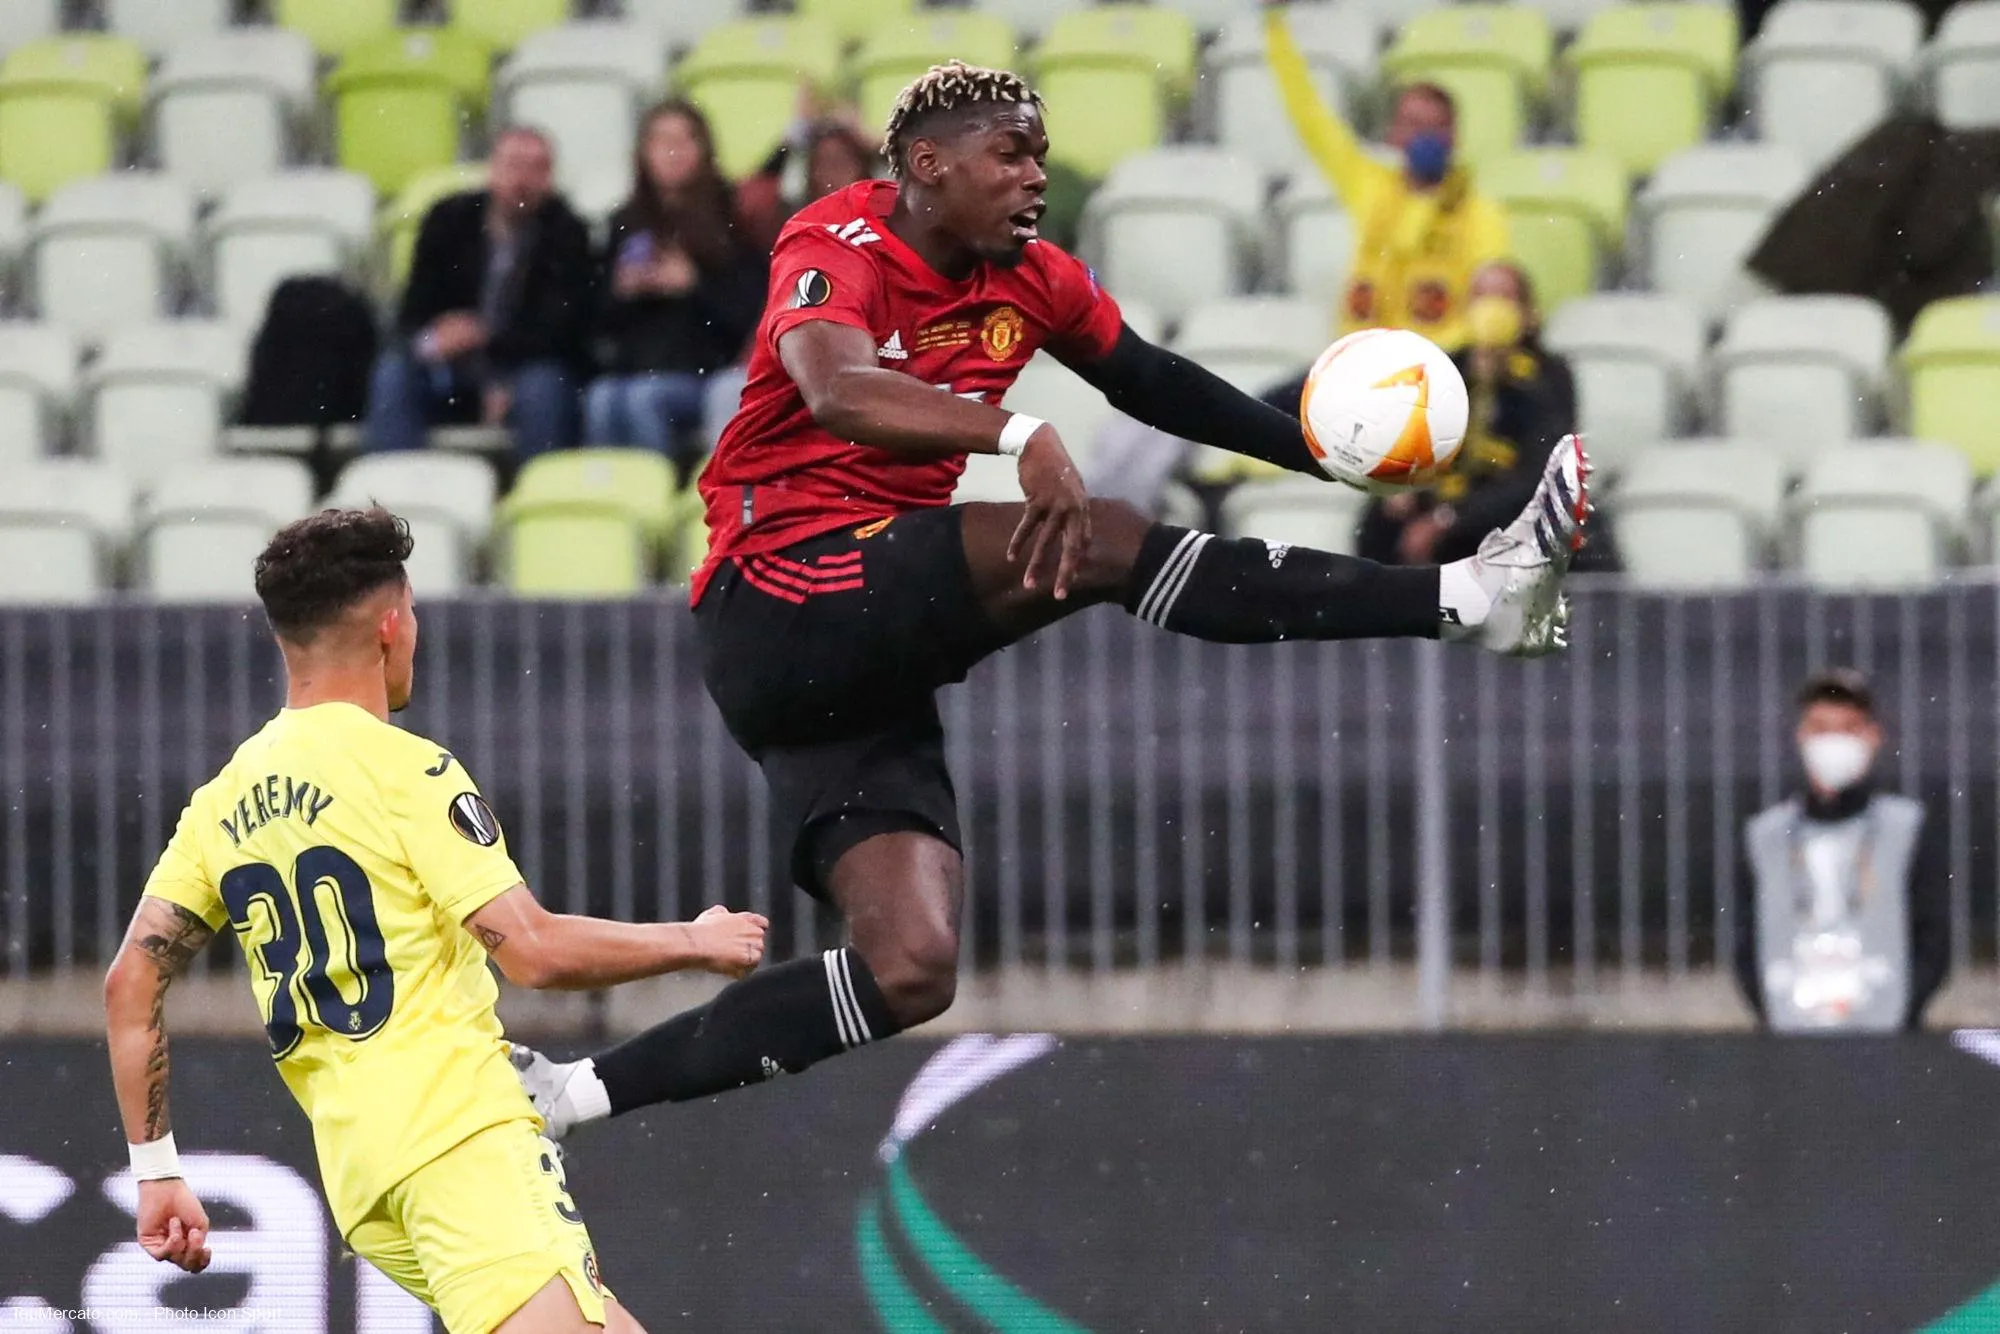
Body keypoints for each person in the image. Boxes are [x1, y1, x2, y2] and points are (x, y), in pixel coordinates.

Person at [506, 61, 1590, 1138]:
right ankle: (1464, 596)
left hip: (856, 658)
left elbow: (1153, 381)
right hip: (780, 590)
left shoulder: (1030, 275)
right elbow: (833, 386)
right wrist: (1016, 432)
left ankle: (573, 1093)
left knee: (913, 967)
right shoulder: (834, 240)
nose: (1035, 176)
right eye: (1009, 154)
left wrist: (1319, 454)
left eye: (1039, 153)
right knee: (1100, 542)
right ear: (927, 165)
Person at [101, 508, 768, 1332]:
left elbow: (132, 980)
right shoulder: (405, 770)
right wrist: (694, 941)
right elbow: (533, 951)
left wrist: (157, 1169)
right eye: (412, 612)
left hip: (363, 1178)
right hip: (457, 1140)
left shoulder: (223, 802)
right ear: (390, 626)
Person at [1264, 2, 1509, 353]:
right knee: (1272, 403)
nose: (1423, 136)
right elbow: (1310, 118)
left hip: (1437, 363)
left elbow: (1492, 297)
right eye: (1412, 124)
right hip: (1360, 358)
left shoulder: (1481, 213)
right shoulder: (1369, 183)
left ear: (1455, 135)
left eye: (1433, 126)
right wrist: (1275, 28)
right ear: (1394, 133)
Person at [1734, 669, 1950, 1033]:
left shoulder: (1905, 828)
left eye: (1848, 728)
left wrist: (1902, 1011)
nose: (1832, 742)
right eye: (1820, 728)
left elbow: (1933, 936)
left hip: (1888, 1036)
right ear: (1802, 736)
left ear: (1872, 736)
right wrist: (1774, 1012)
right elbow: (1745, 940)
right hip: (1790, 1034)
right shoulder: (1765, 836)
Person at [366, 127, 593, 457]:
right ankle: (390, 493)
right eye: (513, 165)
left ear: (550, 178)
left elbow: (563, 330)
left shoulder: (568, 232)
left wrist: (487, 338)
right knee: (395, 373)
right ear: (491, 170)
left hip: (523, 365)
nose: (522, 179)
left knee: (542, 387)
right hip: (451, 365)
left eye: (535, 168)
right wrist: (435, 338)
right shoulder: (448, 219)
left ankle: (533, 495)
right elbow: (414, 308)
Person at [585, 102, 767, 483]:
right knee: (601, 398)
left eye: (684, 140)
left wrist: (693, 286)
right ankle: (615, 497)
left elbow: (749, 316)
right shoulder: (624, 223)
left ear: (703, 150)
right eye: (661, 141)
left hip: (705, 371)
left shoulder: (732, 222)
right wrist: (621, 291)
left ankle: (659, 494)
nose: (673, 151)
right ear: (643, 153)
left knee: (641, 400)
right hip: (636, 369)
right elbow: (594, 320)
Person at [1354, 261, 1578, 567]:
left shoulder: (1549, 375)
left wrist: (1449, 519)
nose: (1490, 308)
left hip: (1507, 504)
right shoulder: (1448, 366)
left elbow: (1540, 469)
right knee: (1380, 520)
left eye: (1502, 297)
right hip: (1448, 493)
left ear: (1527, 313)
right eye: (1481, 296)